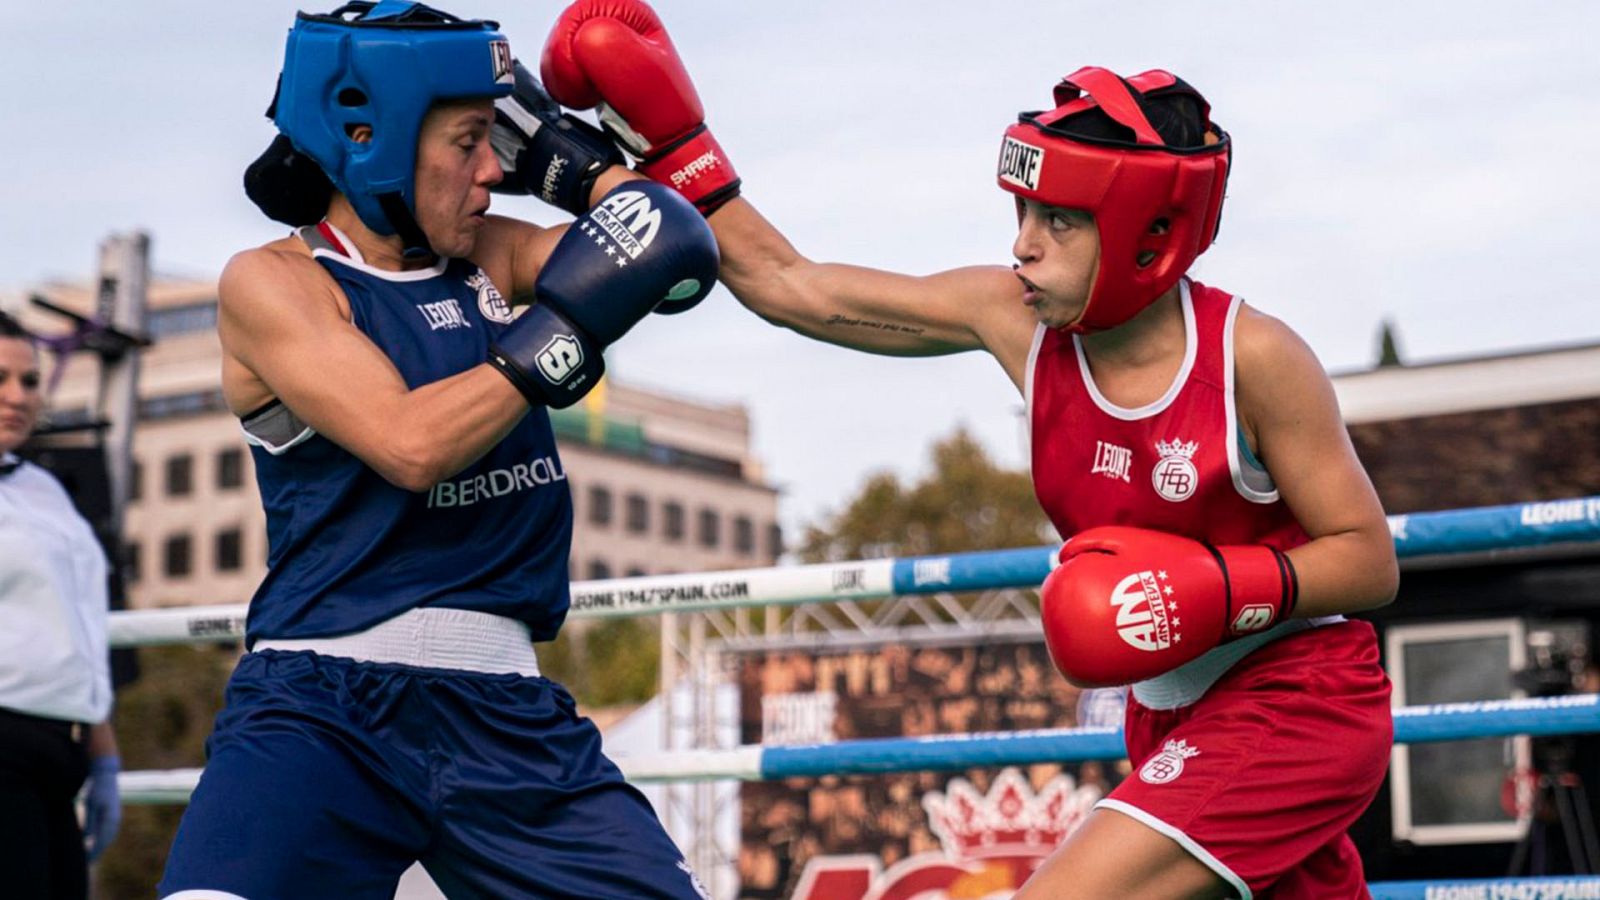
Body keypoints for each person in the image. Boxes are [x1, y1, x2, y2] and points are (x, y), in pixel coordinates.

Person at [540, 4, 1399, 897]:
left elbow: (1368, 560)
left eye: (1059, 221)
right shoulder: (1015, 321)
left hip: (1295, 699)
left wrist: (1220, 587)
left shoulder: (1251, 357)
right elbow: (795, 286)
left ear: (1152, 231)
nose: (1022, 244)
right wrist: (680, 146)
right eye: (1023, 210)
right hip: (1168, 712)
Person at [155, 3, 718, 897]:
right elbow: (410, 444)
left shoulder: (491, 257)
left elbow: (670, 247)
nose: (496, 170)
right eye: (468, 142)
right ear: (368, 136)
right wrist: (562, 333)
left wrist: (577, 168)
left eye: (501, 140)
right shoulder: (276, 284)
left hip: (509, 720)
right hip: (322, 708)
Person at [0, 310, 122, 899]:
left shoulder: (41, 487)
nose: (18, 396)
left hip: (60, 750)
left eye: (28, 380)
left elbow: (76, 629)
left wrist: (103, 756)